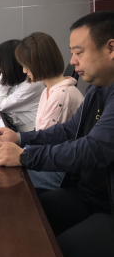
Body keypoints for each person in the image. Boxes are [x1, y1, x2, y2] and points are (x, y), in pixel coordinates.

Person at [0, 12, 114, 257]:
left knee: (65, 255)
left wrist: (25, 157)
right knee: (31, 211)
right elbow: (70, 130)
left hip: (108, 207)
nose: (73, 61)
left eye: (78, 52)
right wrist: (21, 139)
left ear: (111, 48)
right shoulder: (98, 88)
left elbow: (95, 148)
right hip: (89, 193)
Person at [15, 32, 85, 191]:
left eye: (26, 65)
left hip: (59, 171)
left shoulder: (61, 95)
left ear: (38, 63)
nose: (24, 71)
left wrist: (20, 151)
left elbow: (48, 144)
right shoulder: (49, 90)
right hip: (51, 160)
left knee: (11, 181)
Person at [0, 40, 45, 132]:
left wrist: (5, 75)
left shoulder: (32, 84)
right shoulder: (20, 79)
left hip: (30, 133)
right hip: (18, 128)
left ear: (8, 64)